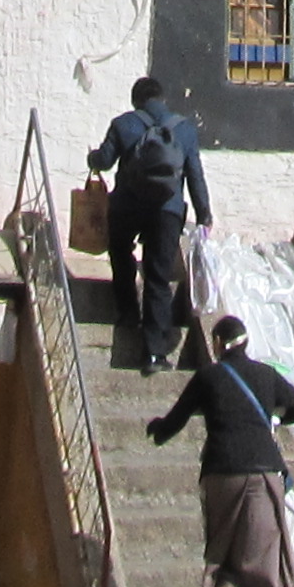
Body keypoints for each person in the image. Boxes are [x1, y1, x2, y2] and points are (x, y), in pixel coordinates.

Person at [148, 311, 294, 587]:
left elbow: (174, 421)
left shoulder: (208, 376)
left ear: (217, 344)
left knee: (223, 550)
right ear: (246, 342)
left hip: (220, 475)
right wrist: (276, 415)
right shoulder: (266, 375)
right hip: (263, 474)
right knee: (264, 557)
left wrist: (157, 429)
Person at [88, 75, 209, 370]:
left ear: (136, 101)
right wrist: (204, 213)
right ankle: (154, 353)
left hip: (127, 206)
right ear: (162, 98)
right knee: (158, 277)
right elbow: (195, 174)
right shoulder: (185, 129)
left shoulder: (123, 124)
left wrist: (92, 158)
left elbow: (104, 160)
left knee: (120, 251)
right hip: (167, 210)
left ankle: (128, 313)